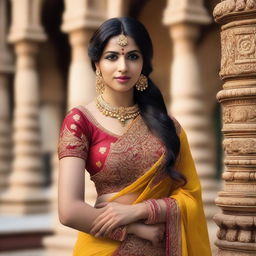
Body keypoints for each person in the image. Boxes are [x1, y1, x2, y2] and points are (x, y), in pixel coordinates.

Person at [57, 17, 212, 256]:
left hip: (161, 247)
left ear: (142, 64)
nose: (123, 66)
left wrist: (139, 210)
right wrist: (135, 228)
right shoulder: (80, 121)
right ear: (97, 63)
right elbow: (69, 210)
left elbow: (190, 196)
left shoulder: (167, 127)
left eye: (132, 56)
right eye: (112, 57)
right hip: (104, 248)